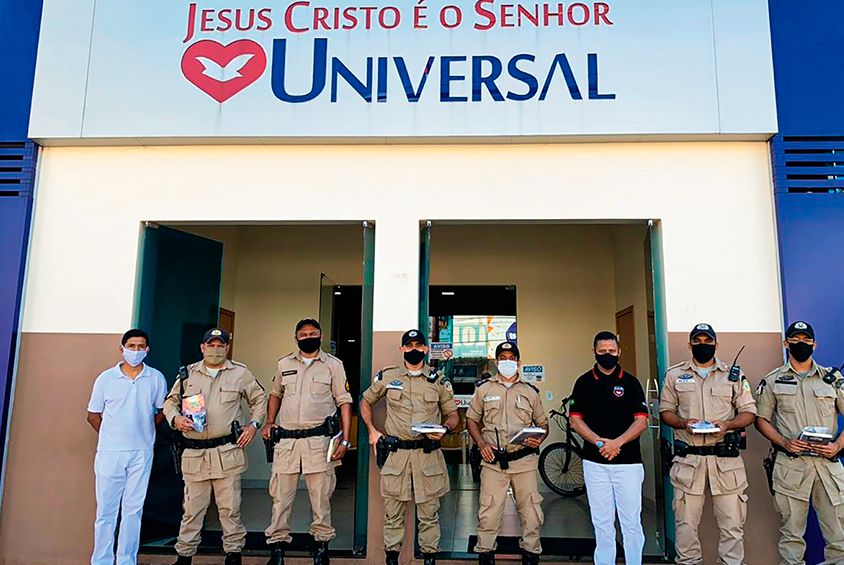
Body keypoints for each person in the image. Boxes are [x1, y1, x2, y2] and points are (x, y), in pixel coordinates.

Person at [164, 328, 267, 565]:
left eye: (221, 345)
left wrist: (253, 425)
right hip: (195, 452)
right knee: (192, 510)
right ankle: (185, 555)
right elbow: (171, 402)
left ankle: (233, 554)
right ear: (202, 347)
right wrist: (175, 419)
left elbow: (259, 399)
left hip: (227, 452)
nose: (216, 349)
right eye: (211, 345)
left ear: (227, 347)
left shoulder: (239, 372)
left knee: (230, 509)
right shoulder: (188, 374)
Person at [659, 323, 757, 565]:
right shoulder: (674, 374)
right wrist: (683, 423)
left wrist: (728, 424)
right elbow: (665, 411)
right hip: (688, 464)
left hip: (726, 463)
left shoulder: (733, 375)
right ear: (690, 344)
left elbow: (749, 413)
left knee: (732, 527)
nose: (703, 345)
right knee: (686, 528)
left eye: (708, 341)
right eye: (698, 341)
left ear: (716, 344)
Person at [360, 329, 460, 565]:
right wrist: (372, 431)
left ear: (426, 349)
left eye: (418, 345)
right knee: (393, 514)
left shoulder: (439, 380)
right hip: (397, 456)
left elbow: (454, 415)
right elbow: (365, 401)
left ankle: (429, 558)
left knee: (429, 515)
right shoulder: (388, 377)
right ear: (402, 349)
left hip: (428, 455)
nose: (414, 349)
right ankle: (391, 559)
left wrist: (444, 429)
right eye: (409, 345)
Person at [262, 319, 353, 565]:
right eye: (303, 334)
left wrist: (345, 439)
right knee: (281, 498)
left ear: (320, 336)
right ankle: (277, 548)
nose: (308, 336)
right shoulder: (284, 364)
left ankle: (321, 547)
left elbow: (344, 402)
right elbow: (275, 394)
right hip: (287, 442)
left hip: (319, 442)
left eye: (313, 333)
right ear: (296, 338)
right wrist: (269, 421)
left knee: (321, 499)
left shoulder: (333, 365)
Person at [755, 321, 844, 565]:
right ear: (786, 344)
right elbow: (760, 420)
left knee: (840, 538)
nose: (801, 344)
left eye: (806, 340)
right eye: (795, 340)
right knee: (792, 537)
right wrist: (784, 441)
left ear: (815, 344)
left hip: (828, 467)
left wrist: (837, 446)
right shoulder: (773, 380)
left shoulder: (833, 380)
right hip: (791, 467)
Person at [86, 329, 167, 565]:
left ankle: (126, 560)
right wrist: (113, 435)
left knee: (133, 511)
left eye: (141, 346)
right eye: (131, 346)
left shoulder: (156, 378)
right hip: (110, 454)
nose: (136, 350)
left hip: (141, 453)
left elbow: (162, 411)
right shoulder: (105, 379)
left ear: (147, 350)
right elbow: (93, 415)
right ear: (121, 349)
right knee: (105, 512)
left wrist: (144, 430)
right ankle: (101, 560)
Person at [569, 331, 648, 565]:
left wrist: (617, 443)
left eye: (611, 351)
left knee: (631, 522)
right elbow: (575, 420)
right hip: (595, 463)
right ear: (593, 352)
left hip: (629, 464)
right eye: (602, 352)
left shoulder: (631, 383)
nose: (607, 355)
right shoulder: (583, 382)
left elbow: (641, 421)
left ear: (619, 351)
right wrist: (600, 443)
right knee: (601, 521)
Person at [466, 342, 549, 565]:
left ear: (518, 362)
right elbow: (471, 419)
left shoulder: (530, 392)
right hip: (493, 461)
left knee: (531, 513)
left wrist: (538, 438)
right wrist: (481, 443)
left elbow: (543, 423)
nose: (507, 362)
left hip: (524, 462)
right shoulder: (484, 389)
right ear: (496, 362)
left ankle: (531, 555)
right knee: (489, 511)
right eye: (502, 357)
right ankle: (485, 554)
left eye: (511, 358)